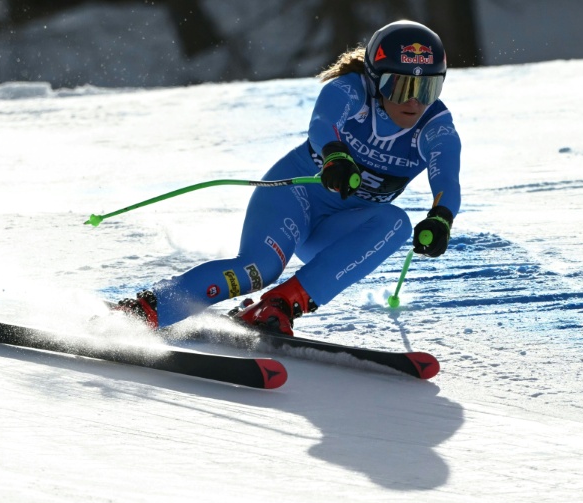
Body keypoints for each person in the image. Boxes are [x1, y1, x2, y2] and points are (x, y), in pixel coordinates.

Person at [115, 20, 462, 335]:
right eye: (401, 87)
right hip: (292, 198)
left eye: (428, 90)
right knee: (259, 268)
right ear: (374, 79)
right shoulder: (351, 90)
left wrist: (441, 219)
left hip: (334, 230)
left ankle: (279, 305)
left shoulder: (436, 128)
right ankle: (144, 310)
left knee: (396, 223)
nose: (415, 102)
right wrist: (335, 155)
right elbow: (322, 125)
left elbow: (447, 178)